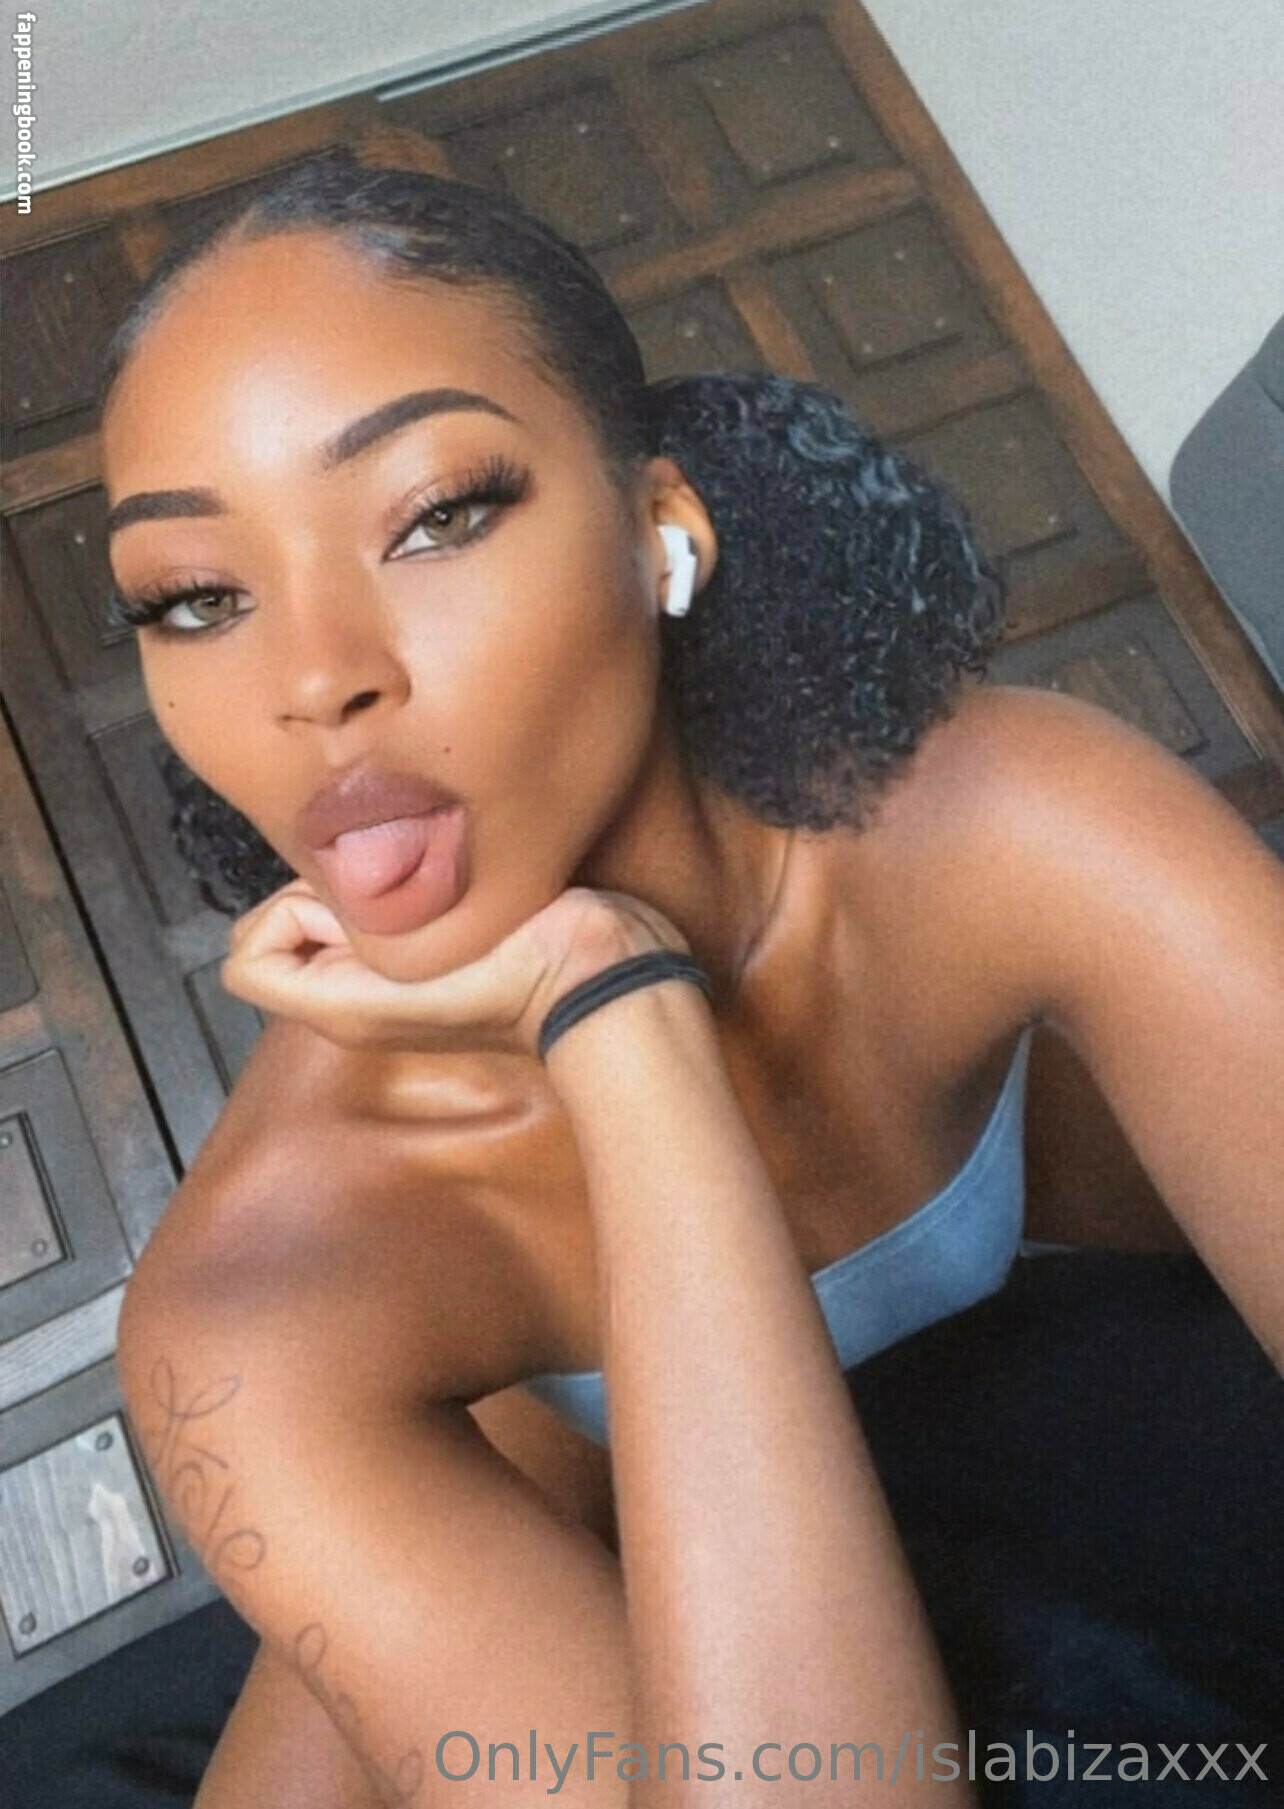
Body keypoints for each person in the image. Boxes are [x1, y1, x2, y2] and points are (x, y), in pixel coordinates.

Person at [99, 147, 1283, 1806]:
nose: (314, 679)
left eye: (435, 515)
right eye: (195, 597)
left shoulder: (1010, 819)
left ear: (661, 528)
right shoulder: (265, 1284)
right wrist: (618, 1015)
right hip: (534, 1485)